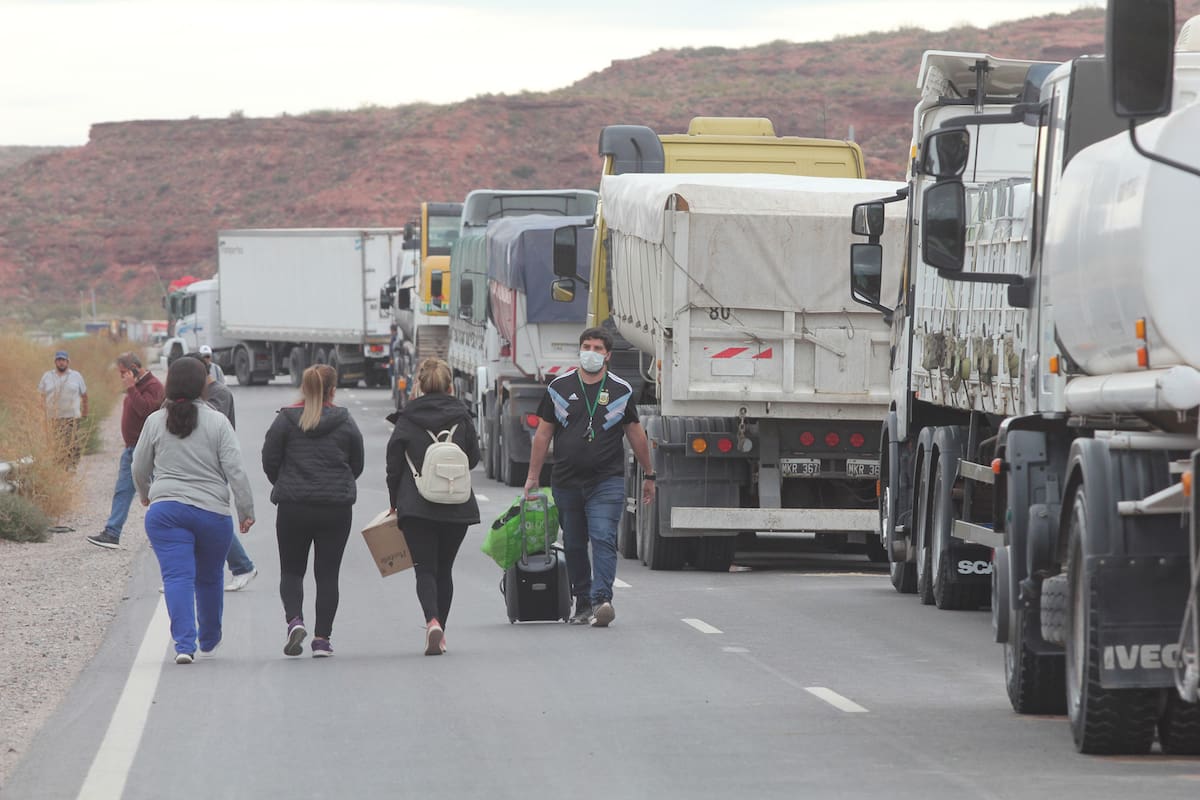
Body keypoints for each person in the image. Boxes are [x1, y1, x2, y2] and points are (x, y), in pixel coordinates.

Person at [525, 328, 656, 627]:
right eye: (586, 346)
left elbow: (635, 433)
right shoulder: (559, 387)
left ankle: (601, 601)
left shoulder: (621, 390)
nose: (591, 352)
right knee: (573, 543)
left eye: (598, 348)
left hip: (606, 480)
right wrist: (533, 476)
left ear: (608, 355)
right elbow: (543, 433)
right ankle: (582, 601)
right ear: (579, 350)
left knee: (603, 538)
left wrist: (650, 473)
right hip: (566, 480)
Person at [132, 357, 255, 664]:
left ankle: (184, 645)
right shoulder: (217, 422)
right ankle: (209, 639)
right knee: (210, 577)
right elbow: (236, 470)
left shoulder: (155, 422)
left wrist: (146, 494)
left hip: (166, 511)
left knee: (177, 577)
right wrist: (245, 510)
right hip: (211, 513)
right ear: (203, 385)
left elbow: (138, 466)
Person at [262, 364, 364, 658]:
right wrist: (338, 484)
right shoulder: (345, 422)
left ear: (303, 388)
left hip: (293, 507)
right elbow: (356, 463)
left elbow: (269, 459)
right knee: (327, 575)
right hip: (335, 509)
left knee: (292, 571)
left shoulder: (285, 420)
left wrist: (285, 482)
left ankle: (295, 620)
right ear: (333, 389)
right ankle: (322, 639)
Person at [385, 358, 480, 656]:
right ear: (451, 386)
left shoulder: (406, 420)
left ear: (418, 386)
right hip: (457, 505)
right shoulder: (463, 418)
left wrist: (394, 503)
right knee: (445, 569)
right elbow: (474, 458)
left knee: (424, 569)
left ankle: (431, 621)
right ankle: (442, 633)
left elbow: (393, 467)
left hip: (417, 507)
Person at [188, 354, 256, 591]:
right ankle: (185, 574)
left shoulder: (220, 394)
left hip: (215, 466)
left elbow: (206, 422)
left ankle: (242, 566)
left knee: (211, 520)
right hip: (197, 464)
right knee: (196, 518)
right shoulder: (195, 395)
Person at [88, 352, 164, 549]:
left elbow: (146, 411)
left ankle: (166, 532)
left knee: (158, 492)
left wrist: (131, 388)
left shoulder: (153, 386)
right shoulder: (137, 387)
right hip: (130, 449)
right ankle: (112, 532)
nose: (122, 377)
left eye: (124, 373)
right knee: (122, 491)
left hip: (146, 450)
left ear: (135, 369)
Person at [38, 350, 89, 469]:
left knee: (72, 442)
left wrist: (85, 412)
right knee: (56, 442)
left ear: (68, 362)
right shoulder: (47, 376)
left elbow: (84, 395)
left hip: (72, 416)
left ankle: (72, 465)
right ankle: (59, 466)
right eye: (59, 360)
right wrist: (41, 412)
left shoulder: (76, 376)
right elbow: (41, 395)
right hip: (53, 417)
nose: (61, 363)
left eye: (63, 360)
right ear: (55, 362)